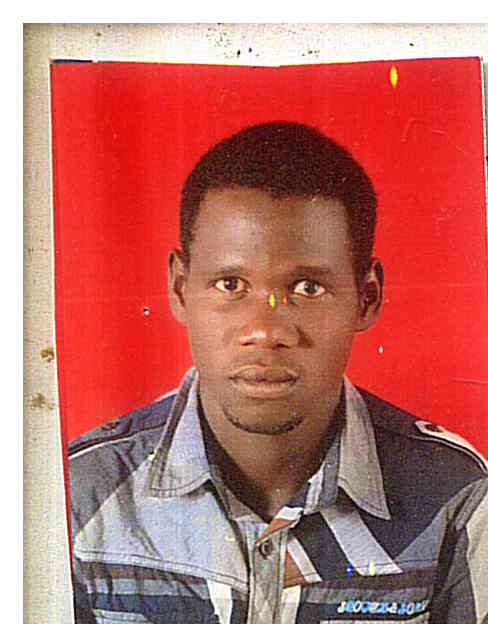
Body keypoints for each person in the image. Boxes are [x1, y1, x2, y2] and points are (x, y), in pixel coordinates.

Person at [68, 121, 488, 624]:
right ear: (180, 289)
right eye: (230, 284)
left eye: (308, 287)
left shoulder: (454, 497)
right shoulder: (79, 495)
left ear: (367, 297)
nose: (265, 331)